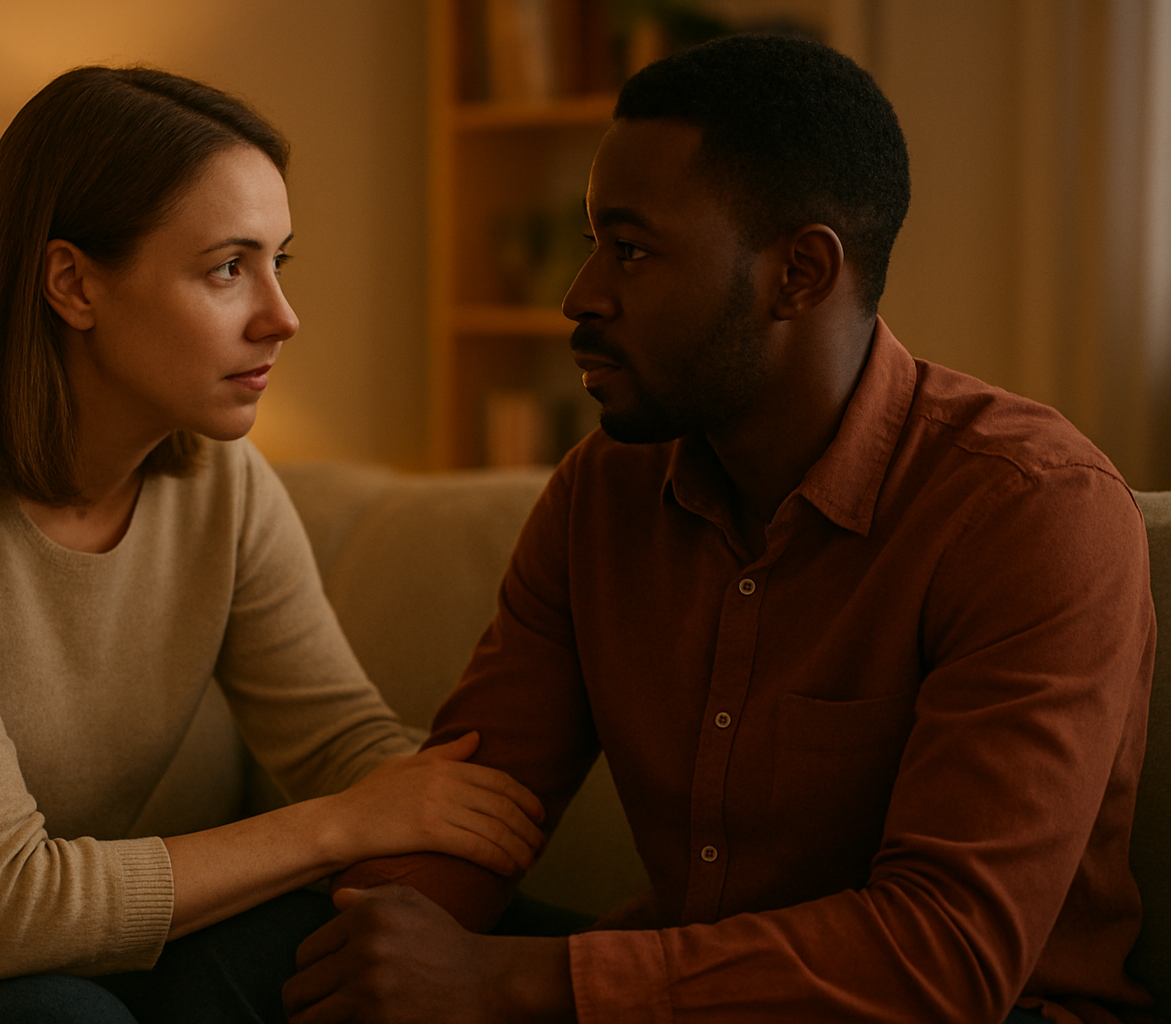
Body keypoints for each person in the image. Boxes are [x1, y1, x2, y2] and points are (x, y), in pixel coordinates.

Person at [0, 66, 548, 1024]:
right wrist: (341, 826)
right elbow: (13, 913)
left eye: (279, 261)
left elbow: (340, 747)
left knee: (405, 952)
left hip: (7, 957)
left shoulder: (221, 483)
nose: (282, 316)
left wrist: (467, 838)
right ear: (73, 283)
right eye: (227, 268)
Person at [281, 34, 1156, 1024]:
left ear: (799, 273)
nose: (580, 296)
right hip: (661, 994)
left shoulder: (1030, 510)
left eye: (631, 249)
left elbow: (946, 953)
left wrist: (511, 984)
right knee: (238, 960)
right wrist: (365, 944)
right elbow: (475, 801)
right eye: (591, 244)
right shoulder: (602, 493)